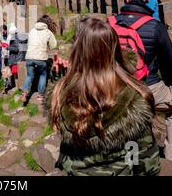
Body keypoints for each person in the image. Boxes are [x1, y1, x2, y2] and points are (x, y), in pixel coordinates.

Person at [50, 18, 160, 176]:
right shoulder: (134, 99)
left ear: (77, 51)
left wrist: (58, 76)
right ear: (115, 50)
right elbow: (147, 162)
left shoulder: (60, 94)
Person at [116, 0, 172, 164]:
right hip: (149, 85)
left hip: (117, 87)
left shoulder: (110, 23)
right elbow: (168, 61)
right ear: (148, 0)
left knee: (128, 116)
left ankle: (130, 160)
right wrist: (169, 84)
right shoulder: (156, 26)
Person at [21, 15, 58, 103]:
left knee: (30, 75)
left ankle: (24, 93)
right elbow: (54, 45)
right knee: (43, 75)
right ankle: (40, 96)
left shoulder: (32, 30)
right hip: (41, 57)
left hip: (29, 57)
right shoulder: (48, 31)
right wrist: (47, 45)